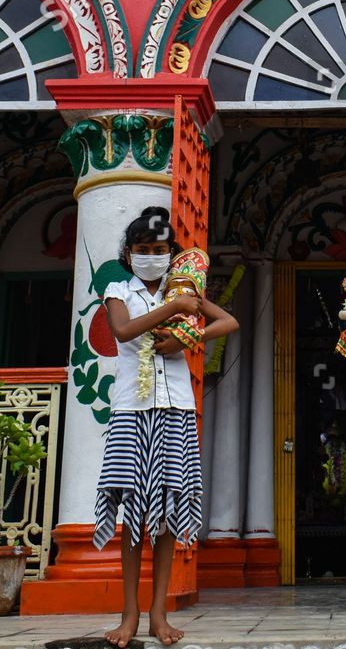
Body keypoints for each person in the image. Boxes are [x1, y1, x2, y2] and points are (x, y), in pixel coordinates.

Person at [95, 206, 239, 648]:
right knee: (131, 514)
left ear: (171, 253)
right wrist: (174, 308)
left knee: (167, 515)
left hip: (175, 409)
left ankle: (159, 612)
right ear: (129, 252)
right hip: (131, 411)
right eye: (143, 250)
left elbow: (228, 321)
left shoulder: (187, 290)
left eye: (160, 250)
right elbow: (122, 332)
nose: (151, 256)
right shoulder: (120, 290)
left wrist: (187, 336)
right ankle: (129, 613)